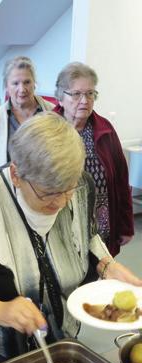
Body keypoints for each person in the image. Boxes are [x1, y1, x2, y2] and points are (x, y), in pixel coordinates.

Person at [0, 112, 142, 363]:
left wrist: (106, 264)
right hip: (2, 343)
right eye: (48, 193)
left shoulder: (82, 185)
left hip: (63, 329)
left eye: (68, 190)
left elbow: (88, 235)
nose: (62, 202)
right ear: (17, 175)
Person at [54, 62, 134, 257]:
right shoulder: (48, 130)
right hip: (58, 229)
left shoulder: (105, 130)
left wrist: (126, 224)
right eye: (76, 94)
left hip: (100, 230)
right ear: (61, 98)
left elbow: (122, 181)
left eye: (90, 94)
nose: (84, 100)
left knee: (97, 280)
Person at [0, 56, 54, 174]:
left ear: (34, 83)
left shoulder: (53, 112)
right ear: (7, 87)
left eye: (27, 82)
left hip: (46, 188)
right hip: (10, 190)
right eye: (15, 83)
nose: (22, 89)